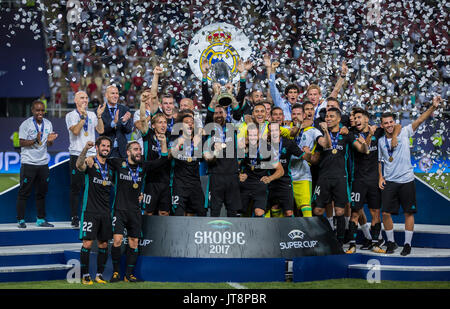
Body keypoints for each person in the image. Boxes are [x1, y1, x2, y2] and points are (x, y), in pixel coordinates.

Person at [378, 96, 442, 256]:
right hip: (390, 180)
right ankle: (391, 242)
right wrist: (380, 176)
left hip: (406, 179)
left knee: (409, 213)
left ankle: (407, 244)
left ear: (394, 122)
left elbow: (420, 120)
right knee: (385, 213)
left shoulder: (405, 131)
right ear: (382, 125)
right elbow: (380, 161)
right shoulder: (380, 141)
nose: (389, 125)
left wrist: (433, 107)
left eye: (391, 122)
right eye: (385, 123)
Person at [109, 140, 168, 282]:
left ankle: (129, 275)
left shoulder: (144, 166)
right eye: (136, 149)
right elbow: (102, 158)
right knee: (117, 241)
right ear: (128, 152)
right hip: (119, 209)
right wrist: (90, 157)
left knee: (134, 242)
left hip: (135, 211)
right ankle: (116, 272)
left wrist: (164, 142)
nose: (139, 152)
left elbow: (163, 159)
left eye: (140, 149)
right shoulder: (118, 163)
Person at [346, 107, 400, 254]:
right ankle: (352, 245)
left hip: (374, 180)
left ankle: (376, 243)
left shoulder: (378, 131)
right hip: (358, 180)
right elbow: (364, 149)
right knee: (355, 212)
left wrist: (394, 136)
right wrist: (369, 136)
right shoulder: (352, 135)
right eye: (355, 118)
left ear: (366, 119)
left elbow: (398, 126)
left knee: (375, 212)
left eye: (359, 117)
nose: (356, 120)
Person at [312, 107, 369, 247]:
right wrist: (307, 156)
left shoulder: (346, 135)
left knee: (340, 211)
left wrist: (365, 143)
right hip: (323, 177)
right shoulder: (320, 135)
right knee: (318, 210)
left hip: (340, 177)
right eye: (327, 117)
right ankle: (318, 240)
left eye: (332, 116)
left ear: (338, 119)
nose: (328, 119)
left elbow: (361, 149)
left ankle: (339, 242)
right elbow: (317, 156)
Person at [75, 137, 114, 285]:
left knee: (103, 244)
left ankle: (99, 275)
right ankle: (85, 275)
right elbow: (79, 165)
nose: (106, 148)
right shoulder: (90, 163)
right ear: (97, 148)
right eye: (103, 146)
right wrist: (85, 150)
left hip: (105, 212)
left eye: (108, 146)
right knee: (87, 244)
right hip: (90, 210)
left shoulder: (110, 167)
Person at [66, 91, 105, 227]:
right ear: (76, 101)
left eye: (86, 97)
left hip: (92, 155)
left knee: (92, 186)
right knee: (76, 187)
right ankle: (74, 217)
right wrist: (82, 118)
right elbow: (76, 131)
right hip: (77, 154)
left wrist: (99, 116)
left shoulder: (93, 114)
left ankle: (90, 214)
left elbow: (100, 130)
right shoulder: (70, 115)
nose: (85, 100)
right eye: (82, 98)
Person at [16, 100, 58, 229]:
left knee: (41, 193)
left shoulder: (48, 124)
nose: (40, 113)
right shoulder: (26, 124)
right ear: (32, 111)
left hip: (43, 163)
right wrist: (36, 140)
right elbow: (21, 142)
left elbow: (48, 144)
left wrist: (50, 141)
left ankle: (41, 219)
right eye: (37, 110)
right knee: (24, 192)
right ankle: (21, 220)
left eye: (42, 110)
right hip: (28, 162)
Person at [203, 91, 242, 217]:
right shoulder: (209, 129)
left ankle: (234, 235)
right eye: (216, 113)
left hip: (232, 174)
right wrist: (216, 94)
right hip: (216, 175)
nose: (218, 115)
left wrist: (229, 95)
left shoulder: (232, 127)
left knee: (233, 210)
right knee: (214, 210)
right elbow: (207, 157)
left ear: (226, 114)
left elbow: (237, 112)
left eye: (221, 112)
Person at [287, 104, 328, 217]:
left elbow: (324, 143)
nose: (296, 116)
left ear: (304, 115)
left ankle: (308, 234)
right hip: (285, 175)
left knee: (306, 209)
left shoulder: (313, 131)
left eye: (299, 114)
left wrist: (327, 133)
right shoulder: (286, 128)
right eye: (294, 114)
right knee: (287, 210)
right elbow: (292, 133)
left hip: (303, 175)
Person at [238, 123, 284, 217]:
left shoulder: (267, 149)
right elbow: (234, 166)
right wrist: (239, 174)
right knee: (240, 212)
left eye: (255, 135)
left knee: (259, 212)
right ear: (247, 136)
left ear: (259, 135)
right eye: (250, 135)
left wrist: (270, 178)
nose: (253, 137)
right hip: (245, 183)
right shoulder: (243, 148)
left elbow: (280, 170)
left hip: (260, 183)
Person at [138, 94, 172, 216]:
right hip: (150, 181)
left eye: (165, 122)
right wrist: (142, 103)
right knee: (149, 211)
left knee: (164, 212)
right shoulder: (148, 135)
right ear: (153, 125)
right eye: (159, 123)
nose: (163, 125)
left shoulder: (169, 136)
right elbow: (142, 120)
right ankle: (145, 235)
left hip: (165, 181)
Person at [169, 113, 206, 216]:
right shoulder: (175, 138)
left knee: (199, 211)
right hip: (179, 183)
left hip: (195, 183)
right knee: (178, 213)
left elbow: (203, 158)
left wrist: (198, 145)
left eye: (192, 122)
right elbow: (169, 156)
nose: (190, 124)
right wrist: (177, 145)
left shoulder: (198, 140)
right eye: (186, 123)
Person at [101, 85, 133, 158]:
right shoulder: (100, 110)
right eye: (112, 93)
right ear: (106, 95)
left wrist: (124, 122)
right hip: (106, 150)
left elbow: (128, 130)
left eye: (117, 93)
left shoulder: (124, 109)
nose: (115, 96)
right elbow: (101, 131)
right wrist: (113, 123)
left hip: (122, 151)